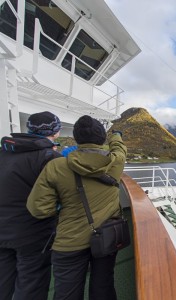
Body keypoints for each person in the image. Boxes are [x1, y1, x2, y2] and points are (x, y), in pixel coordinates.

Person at [27, 115, 126, 300]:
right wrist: (117, 135)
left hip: (68, 242)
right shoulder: (115, 162)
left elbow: (39, 209)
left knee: (67, 293)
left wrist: (61, 206)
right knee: (103, 286)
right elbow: (119, 148)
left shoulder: (56, 166)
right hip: (106, 236)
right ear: (102, 138)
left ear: (76, 138)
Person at [0, 111, 62, 300]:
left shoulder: (3, 152)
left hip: (2, 229)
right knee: (31, 285)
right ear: (56, 131)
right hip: (34, 234)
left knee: (3, 283)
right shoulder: (50, 159)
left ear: (27, 128)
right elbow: (62, 196)